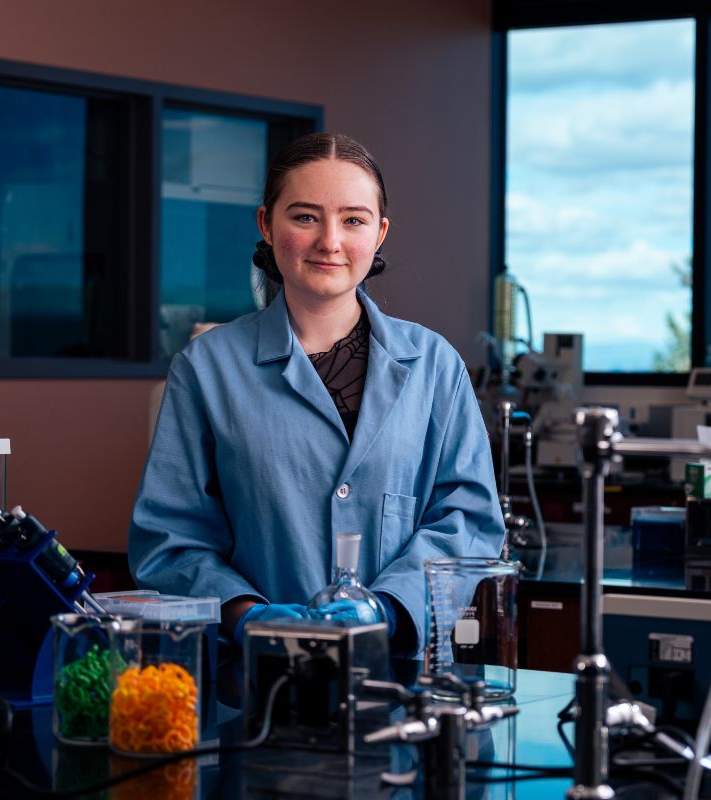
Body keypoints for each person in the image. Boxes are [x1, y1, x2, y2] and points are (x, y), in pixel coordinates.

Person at [128, 132, 505, 654]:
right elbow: (169, 538)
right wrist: (245, 614)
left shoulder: (434, 365)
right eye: (305, 217)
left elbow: (469, 519)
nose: (330, 241)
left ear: (380, 233)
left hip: (403, 680)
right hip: (260, 680)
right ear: (266, 224)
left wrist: (388, 607)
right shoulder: (206, 368)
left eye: (353, 220)